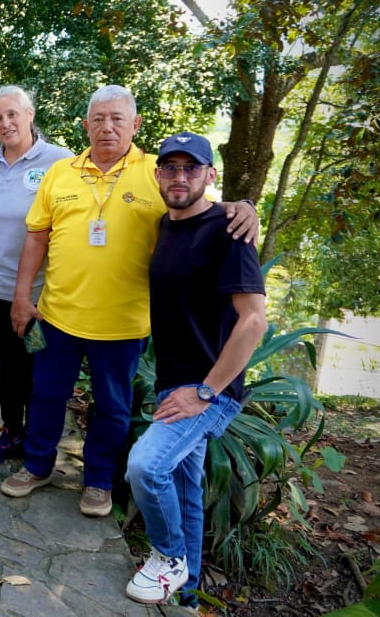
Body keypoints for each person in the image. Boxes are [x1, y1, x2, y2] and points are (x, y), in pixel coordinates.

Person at [2, 85, 258, 518]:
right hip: (57, 315)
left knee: (113, 408)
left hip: (124, 323)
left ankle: (99, 481)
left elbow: (197, 202)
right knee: (45, 394)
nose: (107, 127)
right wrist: (21, 297)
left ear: (134, 125)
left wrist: (243, 204)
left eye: (117, 119)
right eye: (98, 119)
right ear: (85, 125)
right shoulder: (61, 172)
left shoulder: (154, 173)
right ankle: (37, 465)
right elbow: (36, 236)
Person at [124, 132, 266, 605]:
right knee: (186, 486)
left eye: (192, 168)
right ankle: (187, 591)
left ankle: (167, 557)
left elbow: (254, 320)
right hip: (173, 379)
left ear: (210, 174)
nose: (179, 177)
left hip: (210, 388)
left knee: (146, 467)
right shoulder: (167, 224)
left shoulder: (231, 232)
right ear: (158, 173)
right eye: (170, 167)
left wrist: (205, 392)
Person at [0, 86, 72, 464]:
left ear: (30, 114)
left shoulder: (60, 162)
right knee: (7, 369)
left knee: (40, 374)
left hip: (41, 294)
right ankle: (12, 433)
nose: (6, 123)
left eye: (13, 114)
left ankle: (39, 442)